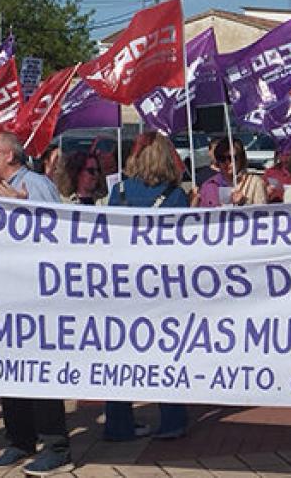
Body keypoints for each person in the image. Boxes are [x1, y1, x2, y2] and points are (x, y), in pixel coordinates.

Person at [0, 131, 74, 475]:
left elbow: (56, 232)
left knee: (39, 371)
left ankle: (55, 445)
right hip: (4, 293)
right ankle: (19, 440)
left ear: (10, 155)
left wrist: (24, 210)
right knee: (10, 370)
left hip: (36, 296)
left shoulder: (35, 184)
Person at [105, 132, 191, 440]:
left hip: (123, 285)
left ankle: (118, 423)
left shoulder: (119, 191)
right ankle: (172, 420)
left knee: (120, 354)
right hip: (161, 285)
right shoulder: (176, 196)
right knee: (165, 353)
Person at [195, 139, 266, 207]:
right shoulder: (208, 185)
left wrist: (244, 203)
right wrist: (194, 202)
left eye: (231, 158)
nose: (227, 162)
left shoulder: (255, 183)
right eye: (222, 158)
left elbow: (263, 215)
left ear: (241, 158)